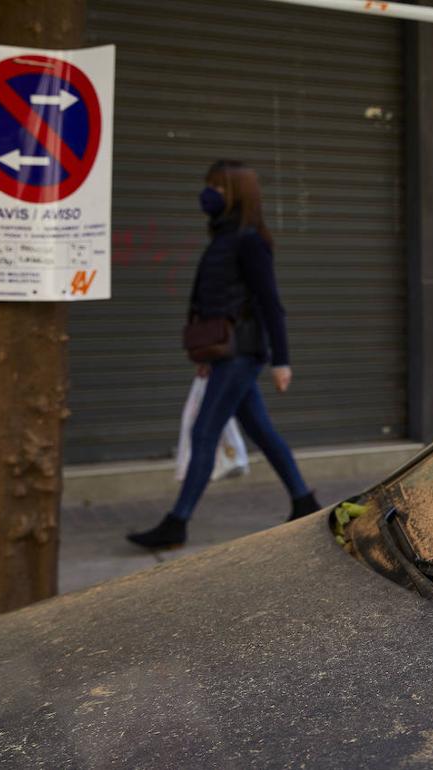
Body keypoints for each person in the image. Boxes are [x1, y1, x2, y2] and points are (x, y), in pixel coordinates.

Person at [128, 160, 320, 549]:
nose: (208, 194)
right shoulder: (224, 237)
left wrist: (281, 360)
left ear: (234, 192)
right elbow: (212, 300)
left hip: (242, 353)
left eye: (216, 187)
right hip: (226, 353)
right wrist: (206, 351)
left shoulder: (249, 240)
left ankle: (176, 524)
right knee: (261, 431)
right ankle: (304, 501)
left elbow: (270, 302)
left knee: (204, 431)